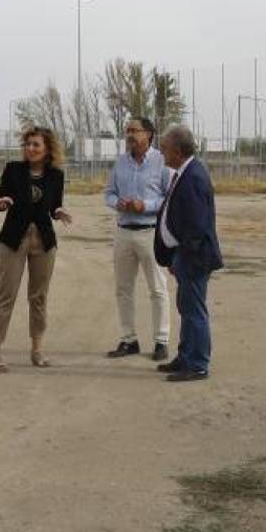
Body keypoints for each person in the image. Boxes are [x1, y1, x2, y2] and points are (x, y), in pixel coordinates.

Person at [0, 126, 72, 372]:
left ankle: (37, 350)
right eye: (28, 144)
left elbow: (54, 206)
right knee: (6, 296)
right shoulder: (13, 170)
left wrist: (60, 212)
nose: (31, 149)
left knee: (39, 297)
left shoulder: (56, 175)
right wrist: (5, 202)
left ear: (47, 149)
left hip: (43, 241)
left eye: (36, 144)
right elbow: (4, 197)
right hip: (13, 239)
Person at [153, 125, 223, 382]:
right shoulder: (184, 172)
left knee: (194, 310)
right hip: (184, 255)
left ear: (179, 151)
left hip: (194, 257)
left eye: (165, 149)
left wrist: (182, 256)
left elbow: (196, 226)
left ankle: (197, 364)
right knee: (186, 308)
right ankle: (186, 356)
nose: (162, 153)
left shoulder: (193, 177)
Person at [103, 116, 171, 362]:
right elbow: (108, 193)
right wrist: (116, 202)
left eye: (135, 130)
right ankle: (128, 339)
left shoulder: (161, 162)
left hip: (149, 231)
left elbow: (169, 197)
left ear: (149, 134)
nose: (130, 135)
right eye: (127, 130)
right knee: (123, 289)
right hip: (123, 231)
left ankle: (161, 341)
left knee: (157, 288)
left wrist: (146, 205)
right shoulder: (121, 163)